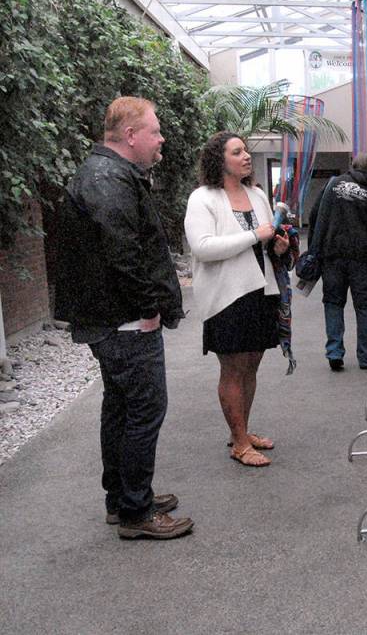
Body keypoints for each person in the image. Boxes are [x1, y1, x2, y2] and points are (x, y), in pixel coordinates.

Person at [54, 96, 193, 540]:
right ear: (131, 135)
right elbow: (123, 254)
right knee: (144, 409)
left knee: (121, 406)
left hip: (112, 318)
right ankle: (136, 511)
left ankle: (125, 498)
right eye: (154, 130)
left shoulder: (105, 174)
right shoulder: (109, 178)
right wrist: (147, 309)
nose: (161, 138)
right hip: (125, 321)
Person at [184, 131, 290, 467]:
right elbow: (202, 247)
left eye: (245, 150)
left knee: (252, 363)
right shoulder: (202, 198)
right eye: (237, 152)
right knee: (233, 367)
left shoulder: (256, 195)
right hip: (227, 296)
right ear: (220, 160)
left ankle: (240, 432)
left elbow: (264, 239)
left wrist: (276, 245)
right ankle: (240, 443)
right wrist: (253, 236)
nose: (246, 156)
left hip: (261, 290)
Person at [308, 152, 367, 371]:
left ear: (353, 166)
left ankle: (334, 351)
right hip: (364, 259)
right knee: (365, 307)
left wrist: (316, 248)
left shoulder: (333, 185)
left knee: (333, 303)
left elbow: (315, 215)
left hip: (333, 257)